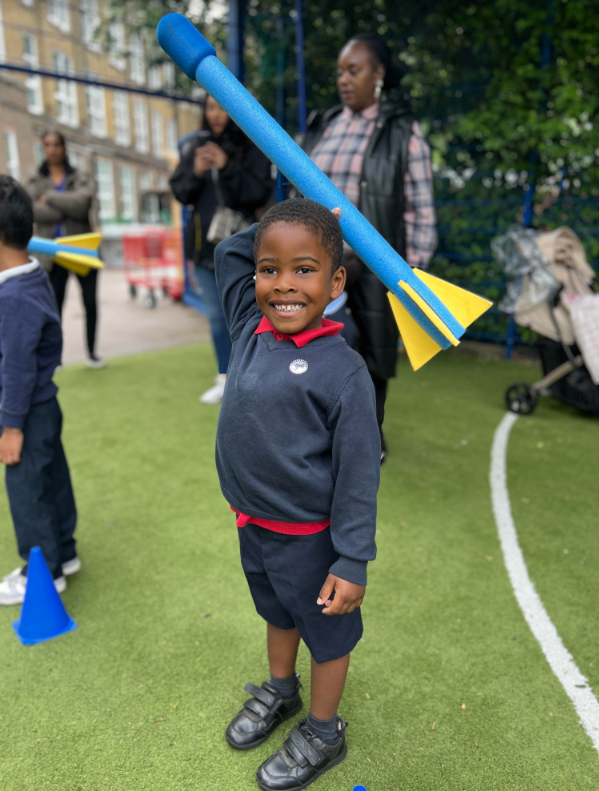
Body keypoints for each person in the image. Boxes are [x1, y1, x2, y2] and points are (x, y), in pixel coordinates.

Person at [214, 200, 380, 790]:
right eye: (270, 269)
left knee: (327, 636)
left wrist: (352, 559)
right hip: (253, 525)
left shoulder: (345, 371)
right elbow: (227, 252)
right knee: (276, 612)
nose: (283, 284)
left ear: (336, 282)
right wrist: (287, 223)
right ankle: (283, 689)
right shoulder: (248, 327)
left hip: (311, 540)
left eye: (304, 269)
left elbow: (359, 475)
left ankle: (324, 730)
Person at [304, 32, 438, 461]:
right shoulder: (323, 124)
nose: (344, 79)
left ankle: (368, 439)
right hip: (319, 260)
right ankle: (319, 433)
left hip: (374, 264)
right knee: (319, 347)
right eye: (340, 72)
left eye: (354, 70)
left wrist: (410, 277)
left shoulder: (402, 132)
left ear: (378, 74)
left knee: (371, 355)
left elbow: (420, 210)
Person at [0, 175, 80, 606]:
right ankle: (64, 552)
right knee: (51, 479)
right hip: (44, 405)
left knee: (27, 490)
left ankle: (43, 573)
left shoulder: (12, 297)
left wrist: (11, 427)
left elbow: (16, 368)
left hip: (26, 411)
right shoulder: (33, 275)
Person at [170, 96, 272, 404]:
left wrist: (226, 166)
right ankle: (226, 378)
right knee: (216, 317)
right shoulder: (197, 145)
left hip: (243, 252)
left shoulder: (252, 145)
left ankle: (256, 375)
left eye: (222, 106)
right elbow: (181, 193)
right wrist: (196, 171)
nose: (216, 114)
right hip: (204, 249)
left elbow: (258, 193)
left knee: (251, 313)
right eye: (210, 107)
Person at [25, 130, 104, 369]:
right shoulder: (34, 178)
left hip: (82, 249)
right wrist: (66, 206)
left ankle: (92, 354)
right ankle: (55, 359)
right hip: (51, 254)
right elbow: (31, 210)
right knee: (54, 308)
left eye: (56, 144)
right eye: (47, 145)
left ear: (64, 147)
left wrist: (49, 196)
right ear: (43, 148)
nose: (52, 149)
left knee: (90, 304)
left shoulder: (80, 175)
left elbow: (81, 206)